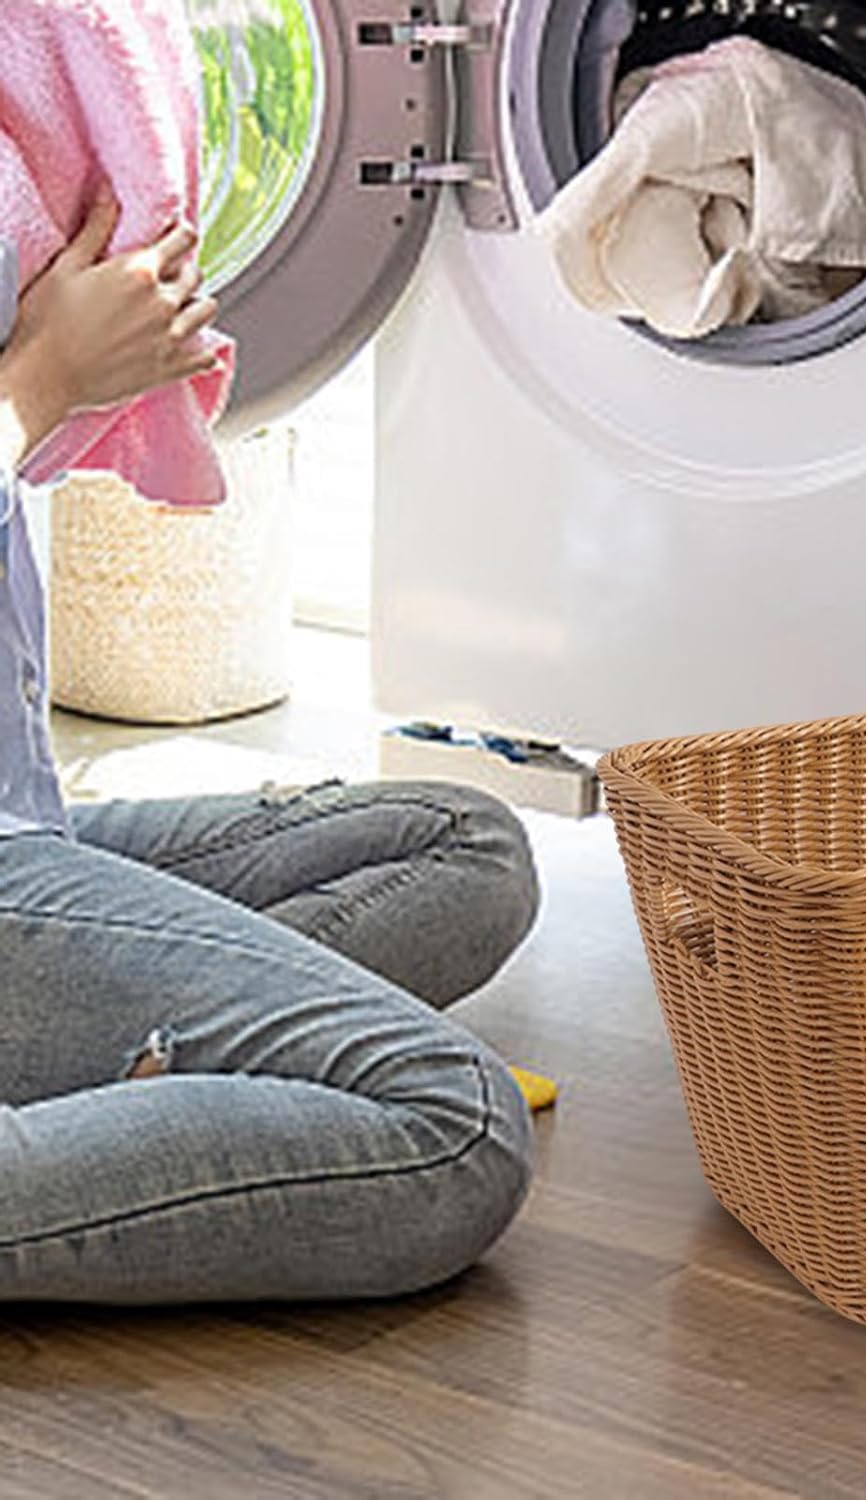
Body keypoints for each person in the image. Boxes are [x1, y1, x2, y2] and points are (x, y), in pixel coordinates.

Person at [0, 194, 539, 1303]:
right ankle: (137, 1081)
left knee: (465, 844)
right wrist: (45, 377)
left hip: (24, 815)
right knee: (454, 1126)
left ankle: (131, 1071)